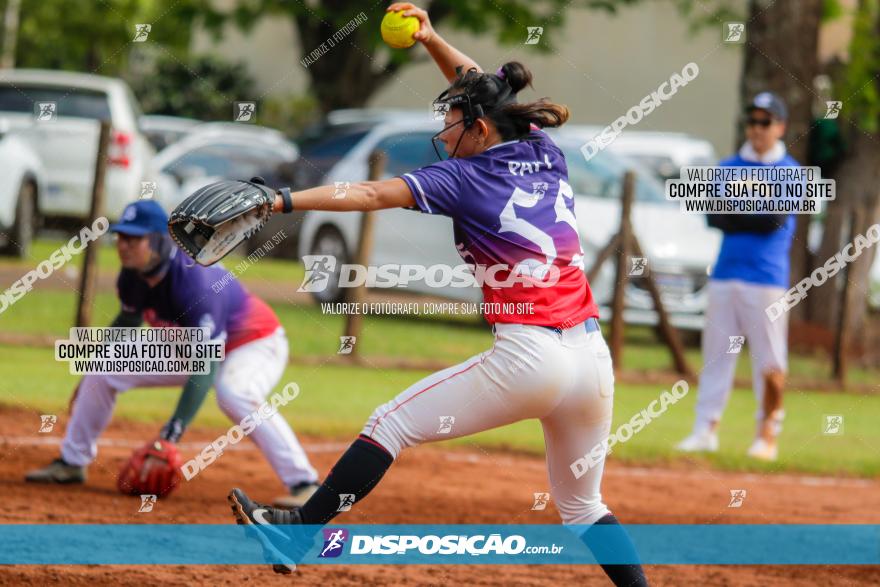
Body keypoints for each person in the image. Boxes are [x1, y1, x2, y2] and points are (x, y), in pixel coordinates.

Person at [225, 4, 648, 585]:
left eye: (452, 121)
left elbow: (371, 193)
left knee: (389, 424)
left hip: (530, 357)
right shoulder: (543, 152)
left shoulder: (463, 176)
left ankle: (299, 532)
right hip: (592, 361)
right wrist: (430, 38)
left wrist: (281, 201)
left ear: (479, 128)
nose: (444, 133)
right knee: (583, 506)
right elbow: (483, 89)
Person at [26, 199, 320, 507]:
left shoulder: (194, 281)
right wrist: (89, 374)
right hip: (188, 344)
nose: (124, 246)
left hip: (254, 343)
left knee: (233, 393)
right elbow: (128, 320)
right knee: (104, 368)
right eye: (121, 237)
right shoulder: (132, 275)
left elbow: (205, 368)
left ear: (158, 240)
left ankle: (305, 483)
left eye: (134, 238)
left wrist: (171, 433)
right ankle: (72, 462)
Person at [676, 92, 799, 461]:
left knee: (770, 359)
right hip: (726, 272)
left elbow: (771, 221)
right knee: (716, 356)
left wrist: (738, 210)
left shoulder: (790, 172)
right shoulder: (727, 166)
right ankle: (705, 429)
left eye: (766, 122)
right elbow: (714, 216)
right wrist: (748, 210)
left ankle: (767, 434)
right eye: (753, 121)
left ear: (780, 127)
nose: (757, 129)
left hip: (766, 278)